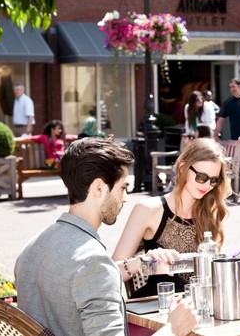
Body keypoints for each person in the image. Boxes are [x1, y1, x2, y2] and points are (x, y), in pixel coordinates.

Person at [14, 138, 198, 336]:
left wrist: (139, 264)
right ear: (99, 188)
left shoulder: (32, 246)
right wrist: (173, 330)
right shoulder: (93, 262)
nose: (126, 197)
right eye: (123, 188)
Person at [113, 138, 231, 298]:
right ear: (182, 168)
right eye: (201, 177)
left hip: (202, 308)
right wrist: (143, 262)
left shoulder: (212, 211)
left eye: (214, 180)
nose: (207, 185)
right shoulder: (148, 209)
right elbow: (112, 272)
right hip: (157, 310)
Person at [215, 78, 240, 197]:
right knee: (236, 164)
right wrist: (215, 134)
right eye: (230, 87)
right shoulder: (228, 103)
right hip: (235, 140)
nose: (232, 89)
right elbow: (221, 119)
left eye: (234, 86)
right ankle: (235, 187)